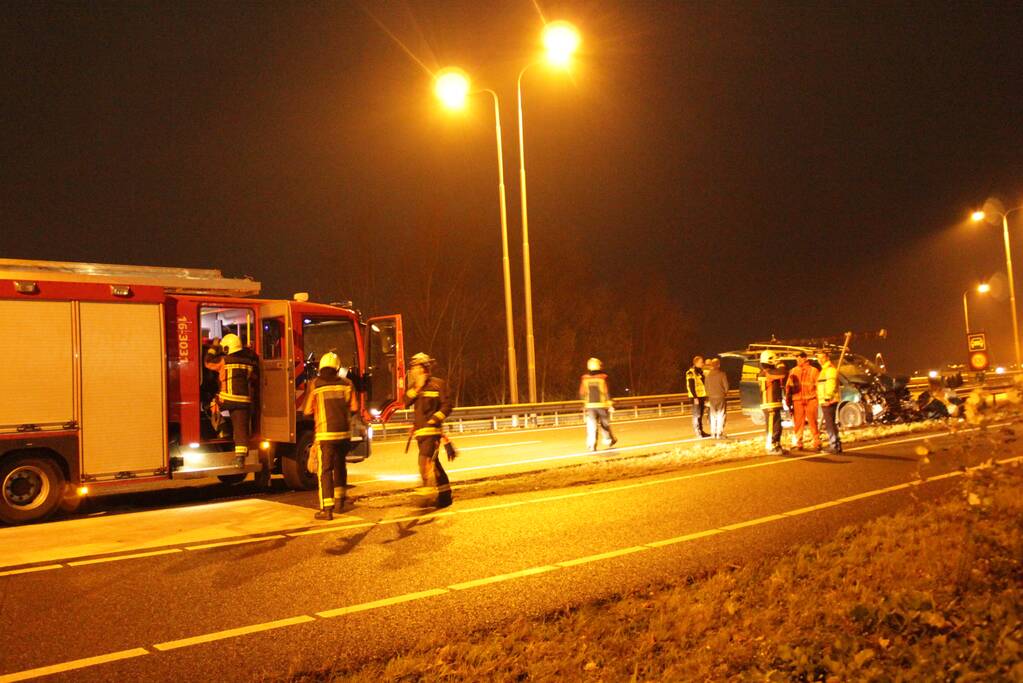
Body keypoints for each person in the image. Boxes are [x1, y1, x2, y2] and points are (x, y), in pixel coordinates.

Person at [303, 351, 358, 521]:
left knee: (325, 470)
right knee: (340, 466)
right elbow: (354, 407)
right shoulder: (347, 383)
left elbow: (307, 411)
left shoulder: (315, 384)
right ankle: (340, 500)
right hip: (344, 434)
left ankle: (327, 509)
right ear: (337, 367)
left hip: (325, 434)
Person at [404, 352, 454, 508]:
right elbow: (406, 402)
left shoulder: (438, 384)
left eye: (414, 367)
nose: (411, 370)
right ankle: (445, 495)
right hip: (420, 433)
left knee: (424, 460)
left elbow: (447, 406)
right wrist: (417, 387)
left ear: (422, 367)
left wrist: (435, 419)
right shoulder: (415, 387)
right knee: (435, 463)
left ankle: (426, 493)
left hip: (432, 432)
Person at [204, 333, 259, 468]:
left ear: (227, 348)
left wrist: (214, 347)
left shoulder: (224, 360)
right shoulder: (249, 363)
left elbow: (208, 362)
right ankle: (240, 459)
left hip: (227, 399)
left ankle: (223, 429)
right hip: (244, 401)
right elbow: (254, 379)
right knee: (241, 429)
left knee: (212, 404)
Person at [785, 351, 821, 451]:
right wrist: (788, 401)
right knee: (798, 423)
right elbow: (788, 387)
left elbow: (818, 386)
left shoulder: (814, 371)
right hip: (797, 401)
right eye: (796, 357)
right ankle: (799, 442)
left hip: (811, 400)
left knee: (813, 422)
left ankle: (817, 441)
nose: (797, 359)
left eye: (799, 357)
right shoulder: (793, 371)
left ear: (805, 358)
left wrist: (818, 400)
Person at [579, 357, 616, 451]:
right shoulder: (603, 377)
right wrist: (610, 404)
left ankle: (591, 444)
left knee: (591, 426)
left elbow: (582, 392)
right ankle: (608, 440)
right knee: (604, 424)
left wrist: (584, 403)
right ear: (599, 366)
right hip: (602, 405)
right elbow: (607, 392)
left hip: (590, 406)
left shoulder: (585, 378)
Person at [759, 352, 788, 454]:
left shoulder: (767, 372)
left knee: (777, 427)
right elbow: (783, 373)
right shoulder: (768, 373)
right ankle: (771, 446)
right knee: (772, 428)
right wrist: (780, 364)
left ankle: (776, 445)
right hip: (770, 404)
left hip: (773, 404)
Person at [816, 349, 843, 453]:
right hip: (825, 400)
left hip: (829, 401)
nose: (820, 360)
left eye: (822, 357)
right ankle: (836, 445)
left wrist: (827, 398)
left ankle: (834, 445)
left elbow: (831, 385)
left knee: (830, 424)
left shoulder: (830, 370)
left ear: (827, 357)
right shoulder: (824, 370)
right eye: (818, 358)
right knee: (831, 423)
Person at [704, 357, 730, 439]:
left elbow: (706, 388)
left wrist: (709, 394)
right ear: (718, 365)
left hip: (711, 397)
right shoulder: (722, 374)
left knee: (713, 415)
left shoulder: (708, 375)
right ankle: (719, 433)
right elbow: (726, 387)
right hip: (720, 397)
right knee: (721, 415)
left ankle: (713, 433)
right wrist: (725, 392)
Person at [685, 356, 709, 438]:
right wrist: (695, 397)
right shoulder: (690, 372)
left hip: (702, 397)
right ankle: (698, 432)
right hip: (695, 398)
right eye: (701, 362)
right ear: (696, 363)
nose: (703, 363)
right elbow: (691, 386)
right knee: (696, 415)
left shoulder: (700, 372)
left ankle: (702, 432)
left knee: (700, 415)